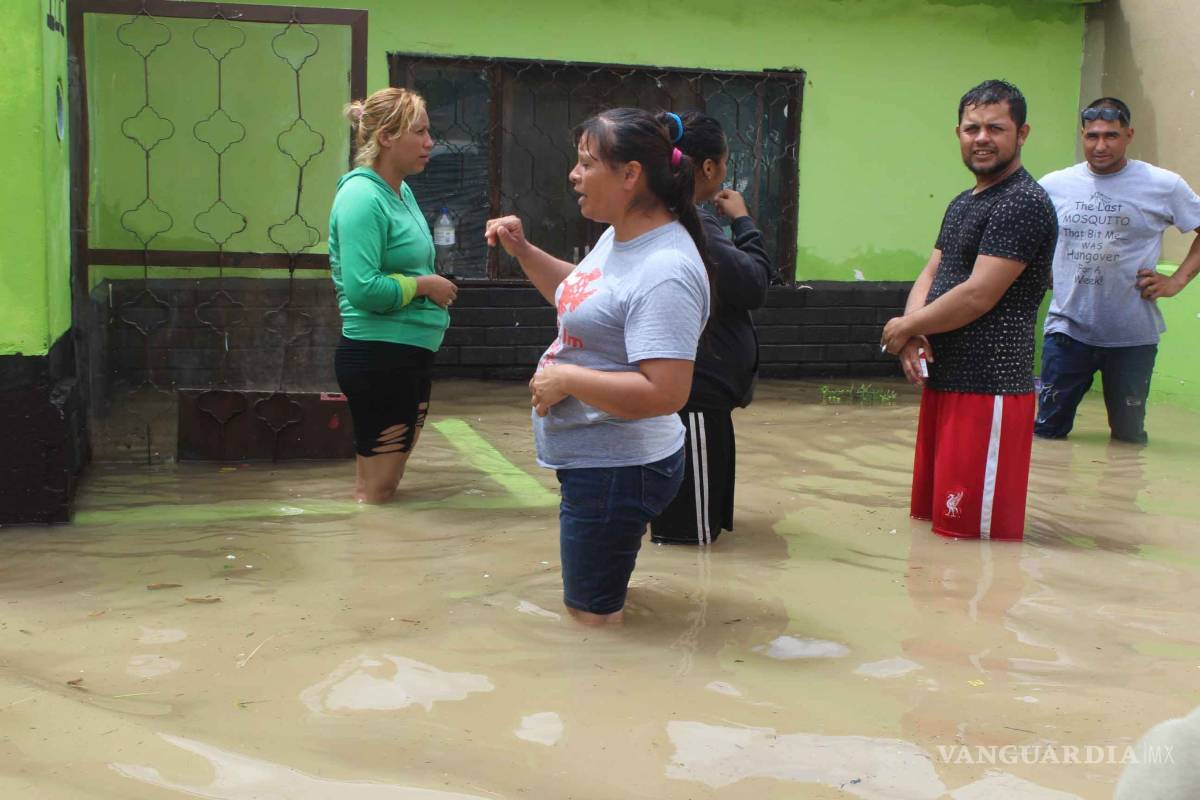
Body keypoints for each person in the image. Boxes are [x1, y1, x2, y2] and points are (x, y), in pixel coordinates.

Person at [484, 108, 712, 625]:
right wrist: (524, 251)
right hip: (600, 461)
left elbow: (666, 392)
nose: (574, 174)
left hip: (618, 468)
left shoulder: (666, 270)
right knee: (596, 604)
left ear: (631, 175)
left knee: (591, 626)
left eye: (586, 162)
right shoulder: (621, 234)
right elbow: (585, 297)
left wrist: (565, 378)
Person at [881, 80, 1057, 541]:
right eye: (972, 127)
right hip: (945, 383)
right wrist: (913, 335)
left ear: (1022, 134)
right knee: (933, 529)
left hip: (990, 391)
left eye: (995, 128)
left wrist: (904, 327)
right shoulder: (964, 202)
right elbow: (932, 272)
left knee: (971, 542)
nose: (982, 137)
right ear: (957, 133)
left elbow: (980, 293)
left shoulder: (1023, 201)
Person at [1035, 97, 1200, 445]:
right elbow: (1028, 236)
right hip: (1067, 332)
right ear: (1082, 134)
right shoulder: (1054, 185)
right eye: (1092, 136)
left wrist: (1177, 281)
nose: (1100, 146)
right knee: (1047, 433)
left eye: (1111, 135)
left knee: (1128, 438)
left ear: (1129, 134)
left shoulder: (1163, 185)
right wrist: (1042, 268)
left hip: (1132, 338)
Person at [648, 112, 773, 546]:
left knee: (693, 534)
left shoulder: (673, 217)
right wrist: (744, 221)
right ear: (707, 168)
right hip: (695, 401)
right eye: (723, 163)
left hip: (695, 399)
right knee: (691, 545)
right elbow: (754, 283)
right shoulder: (693, 223)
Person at [329, 88, 458, 503]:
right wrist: (425, 286)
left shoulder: (400, 192)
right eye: (419, 132)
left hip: (407, 353)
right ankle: (364, 561)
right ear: (386, 136)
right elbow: (363, 288)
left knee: (383, 489)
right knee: (376, 493)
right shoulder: (361, 197)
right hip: (380, 355)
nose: (429, 143)